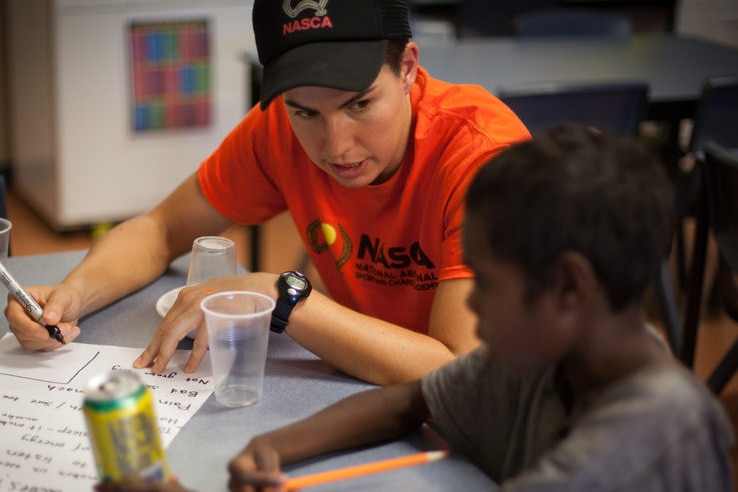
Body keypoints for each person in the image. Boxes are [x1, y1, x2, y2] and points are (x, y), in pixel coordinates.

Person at [98, 124, 733, 492]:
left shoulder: (641, 442)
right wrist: (274, 446)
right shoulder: (559, 354)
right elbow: (414, 398)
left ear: (569, 286)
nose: (472, 304)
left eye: (485, 280)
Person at [4, 0, 529, 386]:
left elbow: (461, 371)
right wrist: (73, 295)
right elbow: (161, 229)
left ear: (409, 67)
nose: (337, 145)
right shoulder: (276, 129)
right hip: (359, 383)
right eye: (306, 112)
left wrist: (285, 296)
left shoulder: (482, 157)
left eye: (361, 105)